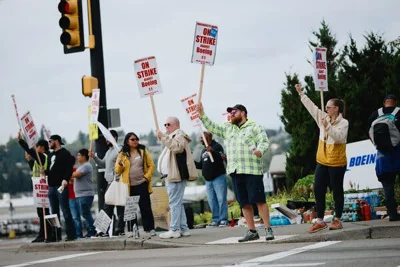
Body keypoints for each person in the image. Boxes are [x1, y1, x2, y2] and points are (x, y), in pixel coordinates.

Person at [197, 103, 274, 242]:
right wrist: (202, 115)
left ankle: (268, 228)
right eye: (230, 112)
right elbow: (212, 126)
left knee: (259, 200)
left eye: (234, 111)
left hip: (252, 170)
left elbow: (264, 141)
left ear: (243, 113)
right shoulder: (228, 128)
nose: (231, 114)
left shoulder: (254, 126)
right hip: (235, 170)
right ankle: (252, 231)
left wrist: (260, 150)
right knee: (244, 202)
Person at [295, 84, 348, 233]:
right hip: (322, 160)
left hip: (337, 161)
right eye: (326, 107)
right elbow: (312, 108)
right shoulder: (323, 118)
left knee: (337, 190)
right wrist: (301, 94)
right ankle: (320, 220)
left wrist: (328, 127)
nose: (326, 109)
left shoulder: (344, 123)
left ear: (336, 108)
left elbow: (339, 138)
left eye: (329, 107)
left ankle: (337, 219)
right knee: (318, 188)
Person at [156, 117, 198, 239]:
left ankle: (174, 229)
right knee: (177, 203)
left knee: (174, 203)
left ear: (176, 125)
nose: (166, 127)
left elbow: (177, 148)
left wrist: (163, 137)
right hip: (171, 175)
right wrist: (164, 137)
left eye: (168, 124)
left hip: (176, 175)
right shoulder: (173, 136)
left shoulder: (179, 135)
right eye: (165, 124)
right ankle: (183, 228)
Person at [115, 132, 156, 236]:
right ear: (127, 141)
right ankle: (133, 230)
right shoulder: (122, 153)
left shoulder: (142, 151)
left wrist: (147, 176)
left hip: (142, 183)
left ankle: (150, 228)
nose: (135, 141)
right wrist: (120, 164)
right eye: (133, 139)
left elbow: (151, 165)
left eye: (137, 139)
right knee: (131, 209)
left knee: (145, 207)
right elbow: (117, 171)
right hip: (129, 186)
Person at [367, 94, 400, 221]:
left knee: (388, 186)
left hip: (382, 156)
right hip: (398, 152)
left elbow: (369, 134)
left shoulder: (375, 115)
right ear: (395, 102)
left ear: (384, 103)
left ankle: (392, 214)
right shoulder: (399, 112)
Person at [17, 132, 52, 243]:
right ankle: (44, 234)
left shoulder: (43, 156)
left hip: (43, 188)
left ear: (41, 147)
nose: (35, 149)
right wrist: (29, 160)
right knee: (41, 212)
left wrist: (21, 141)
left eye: (37, 147)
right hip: (38, 188)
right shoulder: (40, 158)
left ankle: (45, 234)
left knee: (44, 213)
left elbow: (32, 151)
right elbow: (34, 168)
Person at [89, 130, 124, 237]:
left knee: (115, 207)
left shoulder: (120, 149)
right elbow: (102, 164)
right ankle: (104, 230)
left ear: (115, 137)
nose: (106, 140)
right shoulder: (109, 152)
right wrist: (94, 157)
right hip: (110, 182)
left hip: (118, 182)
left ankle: (114, 230)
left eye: (108, 138)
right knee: (109, 206)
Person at [194, 131, 229, 228]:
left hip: (218, 177)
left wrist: (212, 152)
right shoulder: (203, 151)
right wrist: (192, 161)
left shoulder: (217, 146)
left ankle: (223, 220)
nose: (200, 139)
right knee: (211, 200)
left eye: (202, 138)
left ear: (207, 137)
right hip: (208, 180)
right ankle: (215, 219)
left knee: (221, 199)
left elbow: (222, 158)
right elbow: (201, 165)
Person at [47, 134, 76, 241]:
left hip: (61, 185)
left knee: (65, 211)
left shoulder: (65, 153)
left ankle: (71, 234)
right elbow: (50, 169)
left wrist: (65, 179)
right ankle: (56, 234)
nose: (49, 143)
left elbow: (69, 168)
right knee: (54, 213)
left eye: (50, 141)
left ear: (57, 141)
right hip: (51, 186)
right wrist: (44, 172)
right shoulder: (50, 155)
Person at [70, 149, 96, 237]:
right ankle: (91, 230)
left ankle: (92, 230)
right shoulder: (80, 167)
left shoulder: (86, 165)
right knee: (84, 213)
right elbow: (74, 178)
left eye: (79, 155)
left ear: (84, 157)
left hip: (86, 194)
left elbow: (77, 175)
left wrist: (67, 173)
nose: (78, 157)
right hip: (80, 195)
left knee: (85, 213)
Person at [68, 156, 83, 239]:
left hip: (75, 196)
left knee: (76, 217)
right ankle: (75, 234)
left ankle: (78, 234)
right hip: (69, 196)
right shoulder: (68, 171)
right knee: (74, 217)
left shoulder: (75, 171)